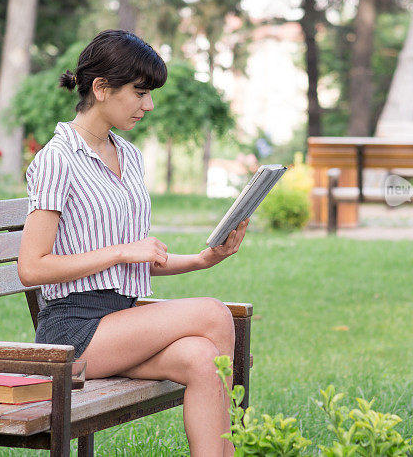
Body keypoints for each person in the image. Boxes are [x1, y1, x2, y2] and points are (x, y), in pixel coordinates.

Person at [17, 29, 249, 457]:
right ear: (101, 88)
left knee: (201, 357)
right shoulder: (57, 158)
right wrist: (123, 251)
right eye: (140, 92)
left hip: (122, 324)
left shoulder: (129, 155)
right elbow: (31, 267)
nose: (149, 105)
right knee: (215, 315)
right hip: (72, 334)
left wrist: (202, 260)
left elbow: (134, 263)